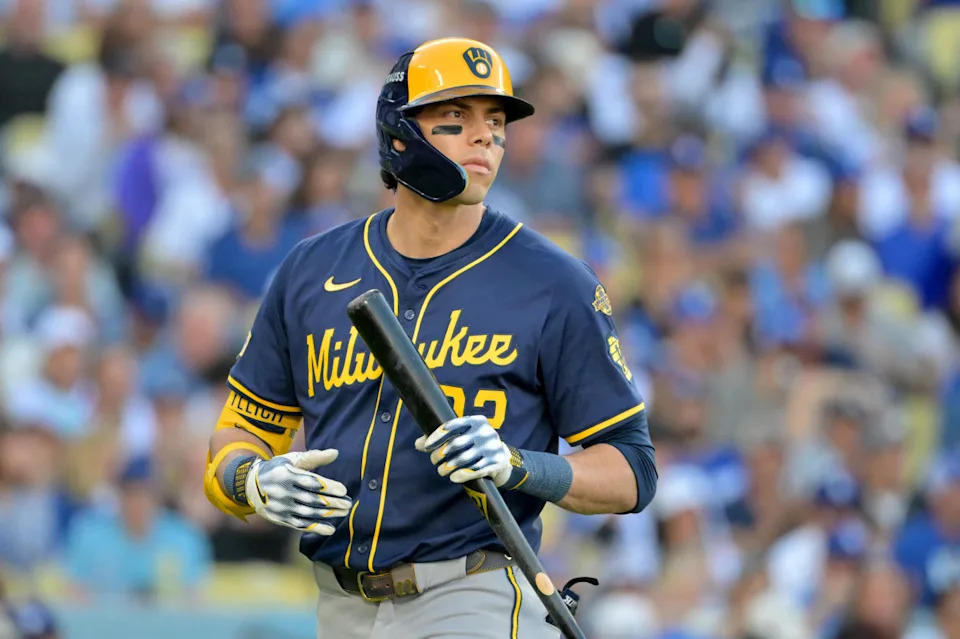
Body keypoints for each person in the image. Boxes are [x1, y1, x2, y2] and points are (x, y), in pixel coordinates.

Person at [203, 37, 658, 638]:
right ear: (399, 135)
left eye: (495, 121)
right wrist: (252, 481)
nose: (484, 137)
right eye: (456, 119)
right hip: (339, 605)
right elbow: (240, 432)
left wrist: (519, 466)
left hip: (473, 593)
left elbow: (632, 469)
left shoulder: (555, 282)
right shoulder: (311, 268)